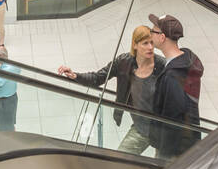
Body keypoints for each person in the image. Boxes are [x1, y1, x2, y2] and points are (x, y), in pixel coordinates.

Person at [57, 25, 159, 155]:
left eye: (152, 43)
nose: (150, 47)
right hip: (141, 128)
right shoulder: (123, 62)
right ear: (135, 45)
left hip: (162, 128)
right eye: (145, 43)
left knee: (166, 167)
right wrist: (75, 75)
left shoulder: (161, 66)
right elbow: (98, 77)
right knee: (120, 159)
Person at [147, 13, 204, 159]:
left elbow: (172, 117)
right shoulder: (186, 61)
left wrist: (163, 151)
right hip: (186, 144)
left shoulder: (172, 76)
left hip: (173, 150)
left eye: (153, 31)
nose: (150, 34)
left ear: (162, 37)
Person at [0, 45, 19, 132]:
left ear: (1, 56)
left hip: (5, 102)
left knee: (4, 129)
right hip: (12, 99)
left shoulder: (6, 70)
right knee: (10, 124)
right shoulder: (13, 65)